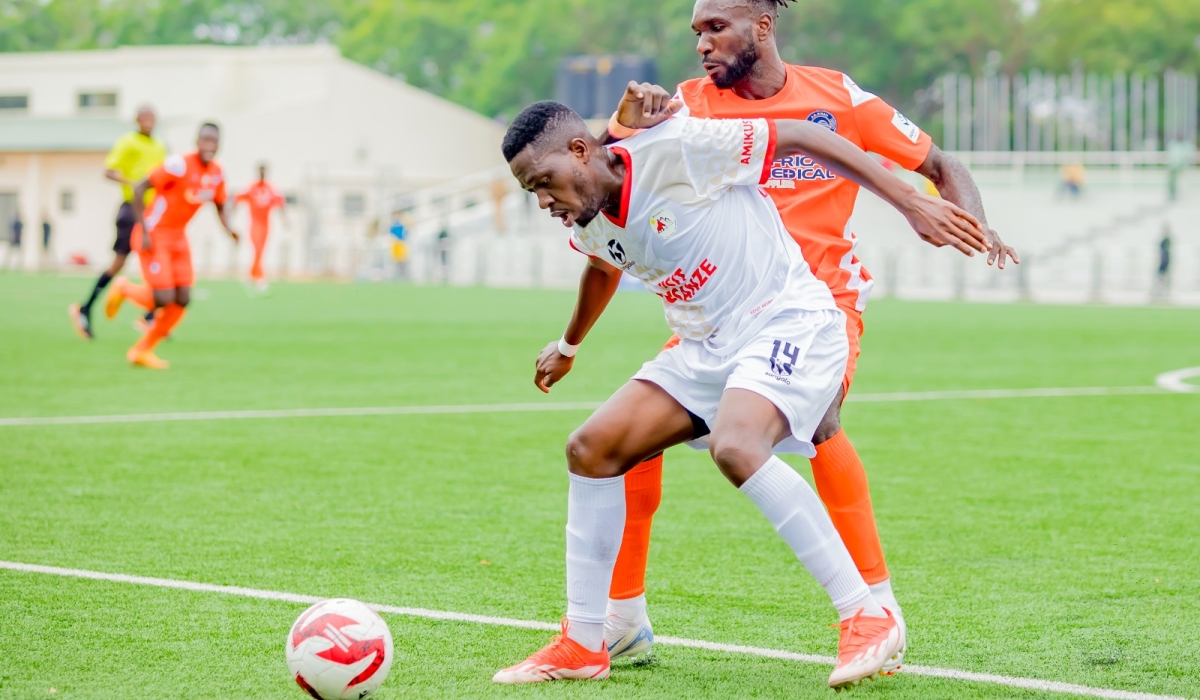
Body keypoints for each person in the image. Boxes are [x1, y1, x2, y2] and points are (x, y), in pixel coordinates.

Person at [492, 101, 988, 689]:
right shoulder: (588, 218)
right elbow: (603, 267)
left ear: (579, 152)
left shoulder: (675, 149)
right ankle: (585, 640)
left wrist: (909, 200)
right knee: (591, 449)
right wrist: (569, 346)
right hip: (704, 347)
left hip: (788, 321)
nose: (543, 201)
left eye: (544, 183)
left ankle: (868, 614)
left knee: (737, 445)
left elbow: (803, 135)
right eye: (532, 192)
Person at [593, 0, 1018, 667]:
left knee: (818, 420)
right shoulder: (684, 106)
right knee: (632, 441)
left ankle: (877, 608)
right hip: (724, 308)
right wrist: (621, 121)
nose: (701, 44)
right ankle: (621, 618)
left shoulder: (837, 97)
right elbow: (597, 169)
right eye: (695, 32)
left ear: (762, 27)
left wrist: (973, 223)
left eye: (715, 28)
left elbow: (940, 164)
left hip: (821, 303)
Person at [104, 123, 239, 369]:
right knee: (163, 297)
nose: (209, 145)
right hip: (154, 233)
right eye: (205, 140)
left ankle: (142, 350)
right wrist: (144, 229)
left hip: (178, 237)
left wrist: (229, 229)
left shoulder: (218, 174)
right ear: (196, 141)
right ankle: (123, 288)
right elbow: (139, 187)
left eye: (214, 141)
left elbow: (220, 204)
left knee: (183, 298)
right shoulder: (178, 165)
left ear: (219, 145)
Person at [70, 105, 165, 339]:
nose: (149, 121)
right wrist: (133, 183)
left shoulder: (160, 147)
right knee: (119, 263)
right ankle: (85, 308)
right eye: (144, 117)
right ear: (136, 120)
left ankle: (151, 317)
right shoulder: (128, 142)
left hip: (154, 213)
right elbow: (109, 171)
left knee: (158, 261)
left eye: (152, 117)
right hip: (132, 210)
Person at [234, 163, 287, 291]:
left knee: (261, 250)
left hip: (266, 224)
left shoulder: (270, 188)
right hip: (254, 223)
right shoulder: (252, 187)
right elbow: (238, 198)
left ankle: (251, 274)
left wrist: (285, 220)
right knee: (257, 248)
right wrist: (231, 214)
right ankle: (260, 277)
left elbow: (280, 203)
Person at [1154, 224, 1172, 299]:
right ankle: (1160, 292)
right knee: (1161, 277)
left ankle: (1162, 292)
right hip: (1164, 260)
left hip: (1164, 261)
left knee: (1163, 277)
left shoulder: (1166, 241)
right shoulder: (1165, 241)